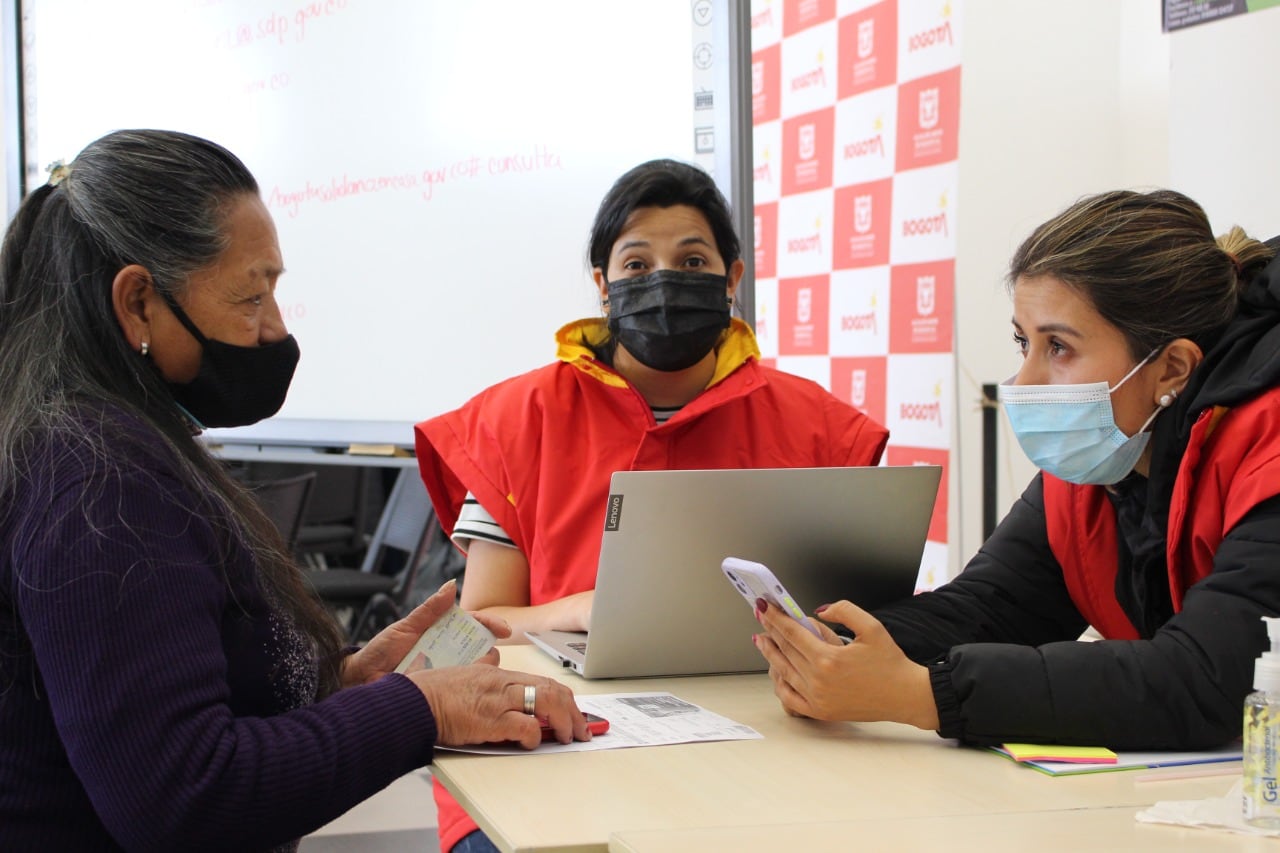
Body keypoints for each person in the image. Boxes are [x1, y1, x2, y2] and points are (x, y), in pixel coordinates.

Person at [0, 129, 593, 852]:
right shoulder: (98, 484)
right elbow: (184, 798)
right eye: (251, 297)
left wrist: (348, 685)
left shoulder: (97, 444)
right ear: (137, 303)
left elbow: (180, 696)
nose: (276, 329)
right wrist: (420, 710)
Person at [415, 158, 889, 852]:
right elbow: (479, 627)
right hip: (552, 749)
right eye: (637, 264)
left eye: (692, 261)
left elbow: (853, 620)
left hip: (767, 749)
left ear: (732, 277)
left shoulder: (814, 425)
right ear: (603, 285)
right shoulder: (517, 420)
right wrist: (577, 609)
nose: (664, 280)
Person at [754, 188, 1280, 750]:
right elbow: (995, 607)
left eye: (1059, 348)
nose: (1023, 381)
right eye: (1023, 342)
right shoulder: (1099, 462)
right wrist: (833, 644)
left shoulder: (1267, 454)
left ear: (1172, 368)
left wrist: (923, 695)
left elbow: (1212, 677)